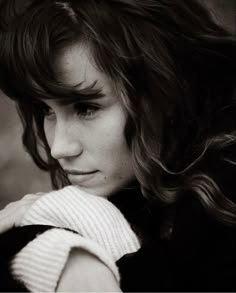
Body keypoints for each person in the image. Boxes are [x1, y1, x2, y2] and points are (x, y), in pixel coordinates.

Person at [0, 0, 235, 291]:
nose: (59, 147)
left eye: (86, 107)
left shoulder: (225, 199)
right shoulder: (138, 184)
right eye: (44, 110)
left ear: (163, 89)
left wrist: (83, 235)